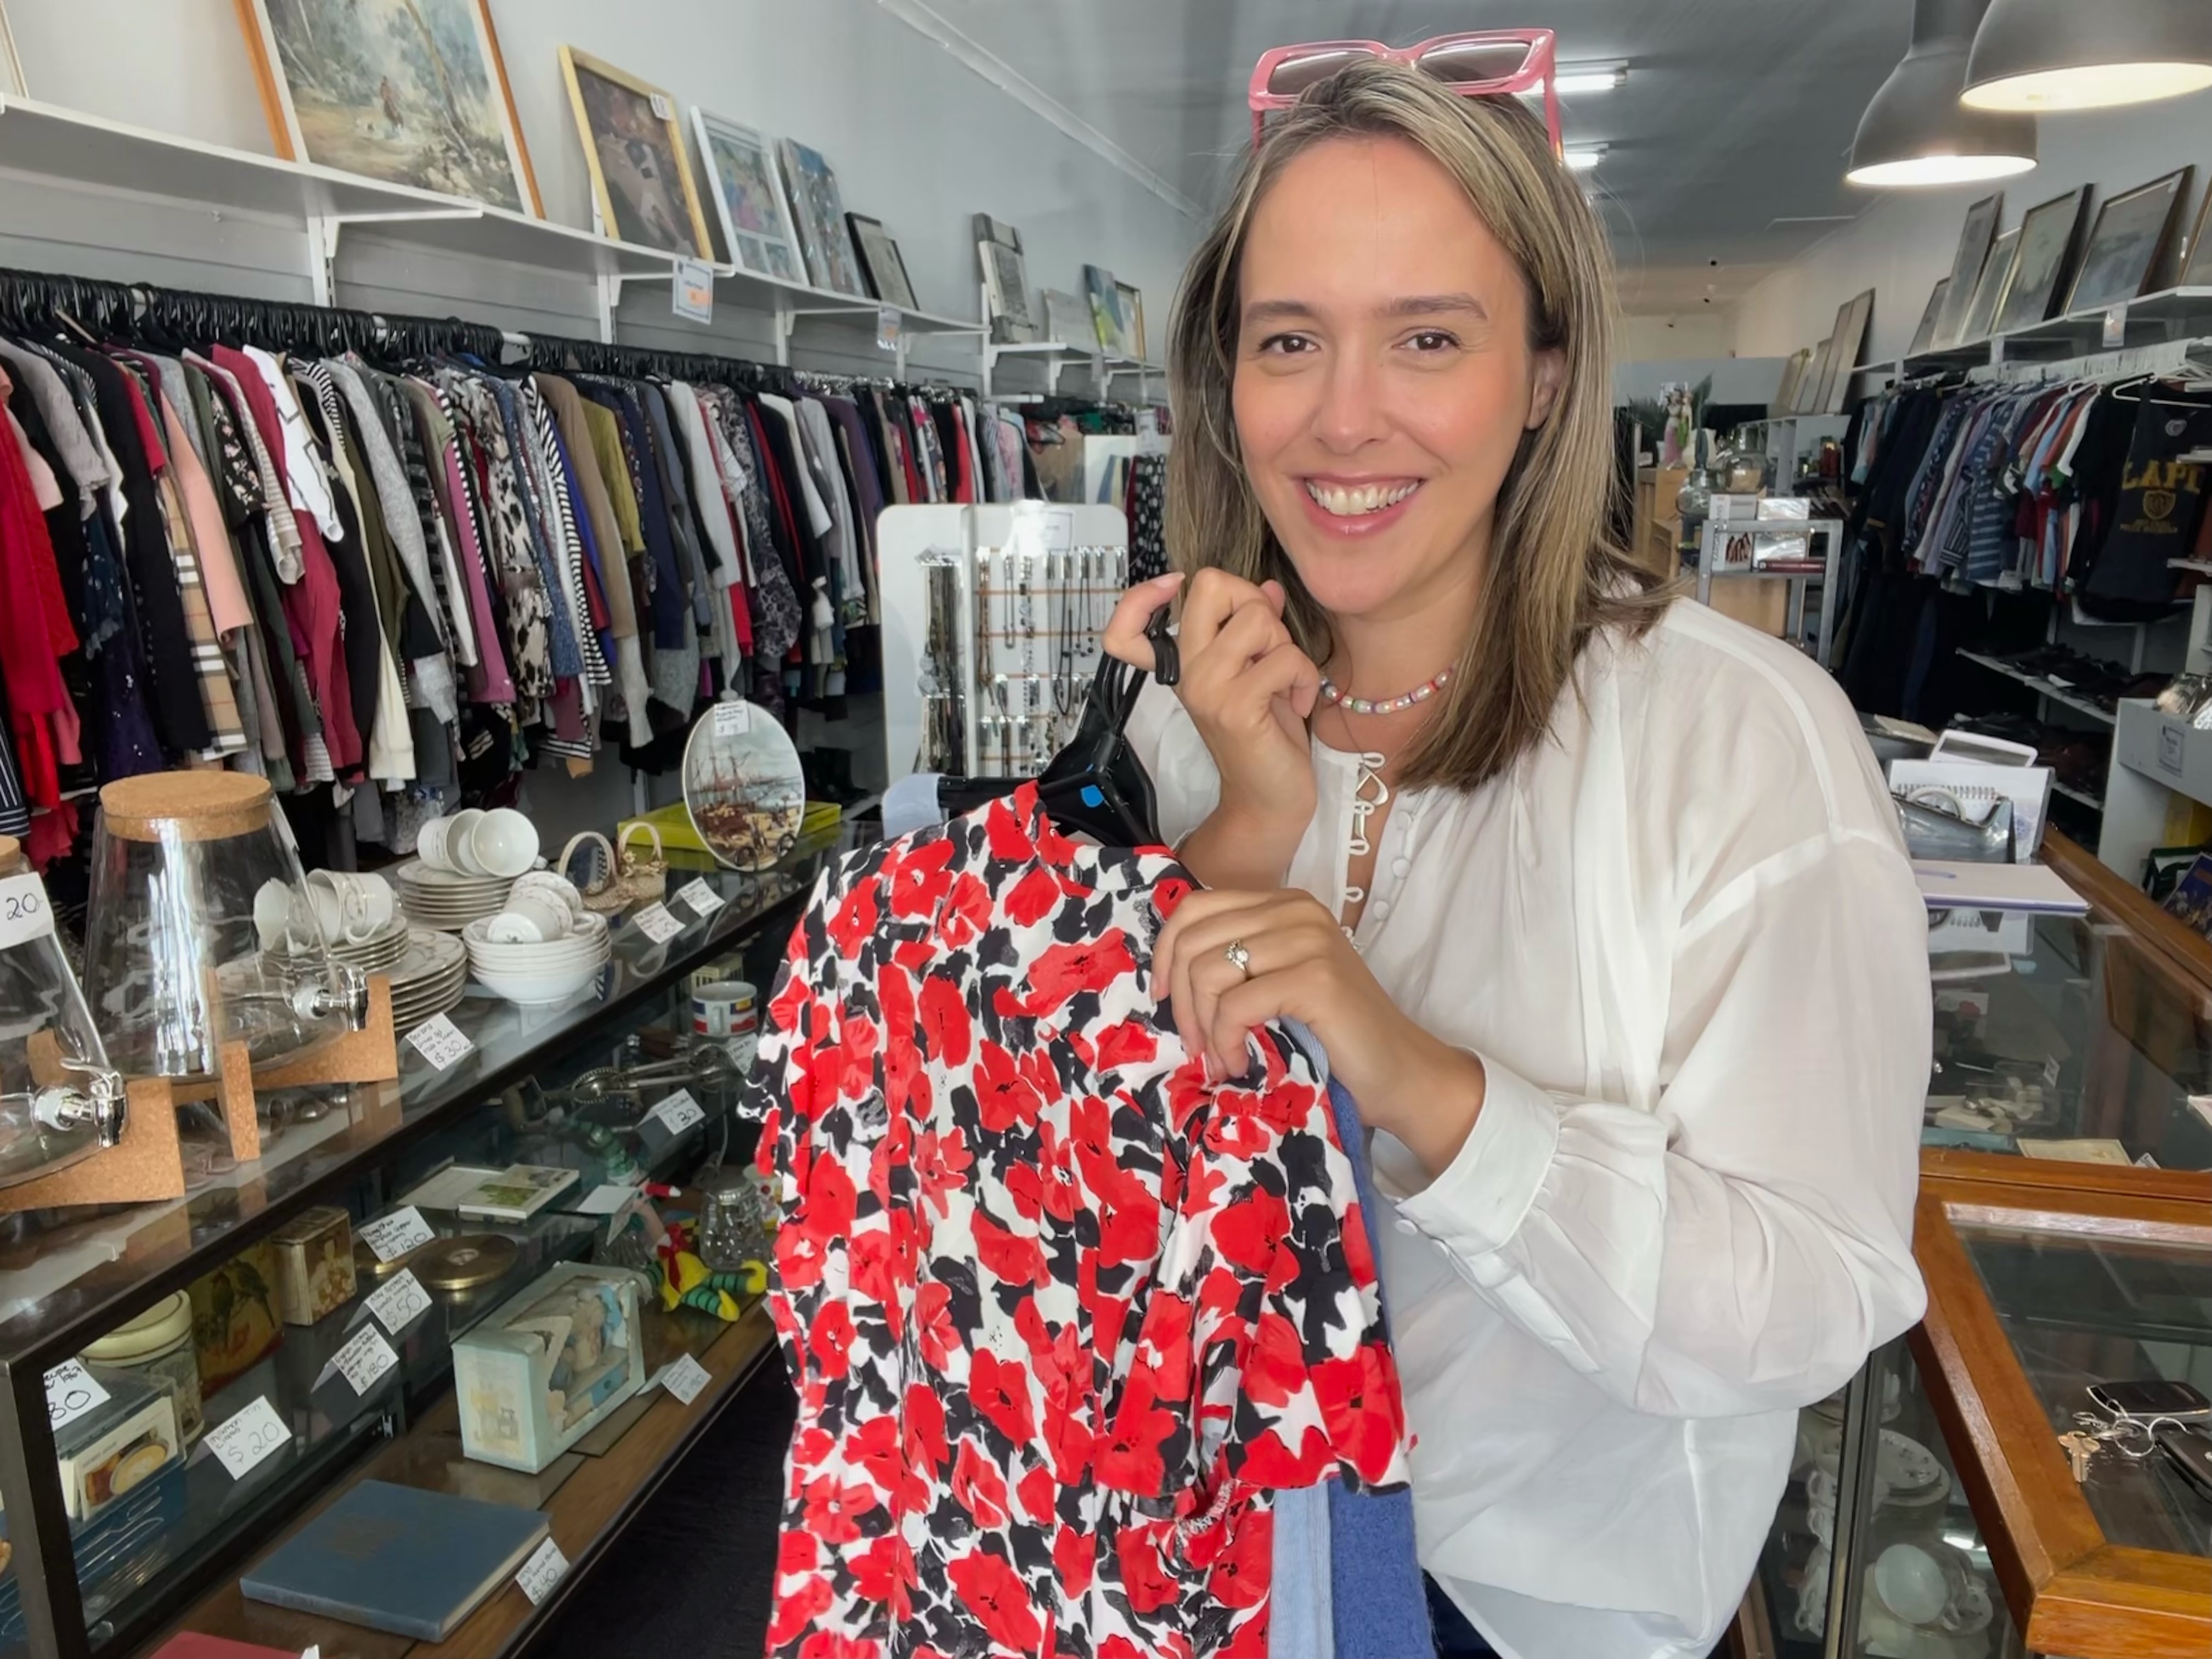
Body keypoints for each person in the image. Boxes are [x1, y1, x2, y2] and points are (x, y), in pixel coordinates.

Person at [1104, 60, 1929, 1659]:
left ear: (1546, 374)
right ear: (1228, 379)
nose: (1345, 416)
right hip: (1192, 1556)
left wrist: (1425, 1082)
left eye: (1429, 337)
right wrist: (1239, 838)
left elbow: (1816, 1298)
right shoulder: (1179, 728)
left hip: (1532, 1612)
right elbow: (1101, 1183)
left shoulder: (1738, 741)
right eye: (1290, 341)